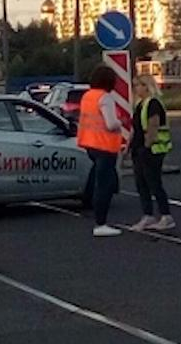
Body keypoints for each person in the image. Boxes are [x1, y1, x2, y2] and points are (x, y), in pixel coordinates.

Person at [76, 66, 124, 237]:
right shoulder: (105, 98)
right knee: (104, 185)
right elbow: (111, 124)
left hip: (90, 144)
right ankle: (101, 223)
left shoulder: (88, 96)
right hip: (105, 146)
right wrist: (121, 122)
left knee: (99, 180)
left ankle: (99, 220)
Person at [129, 75, 175, 232]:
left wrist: (146, 147)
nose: (136, 88)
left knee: (154, 183)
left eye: (138, 85)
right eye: (135, 85)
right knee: (141, 183)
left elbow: (153, 126)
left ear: (147, 86)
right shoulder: (140, 104)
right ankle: (147, 215)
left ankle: (166, 216)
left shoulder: (153, 103)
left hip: (153, 150)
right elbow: (135, 128)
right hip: (140, 149)